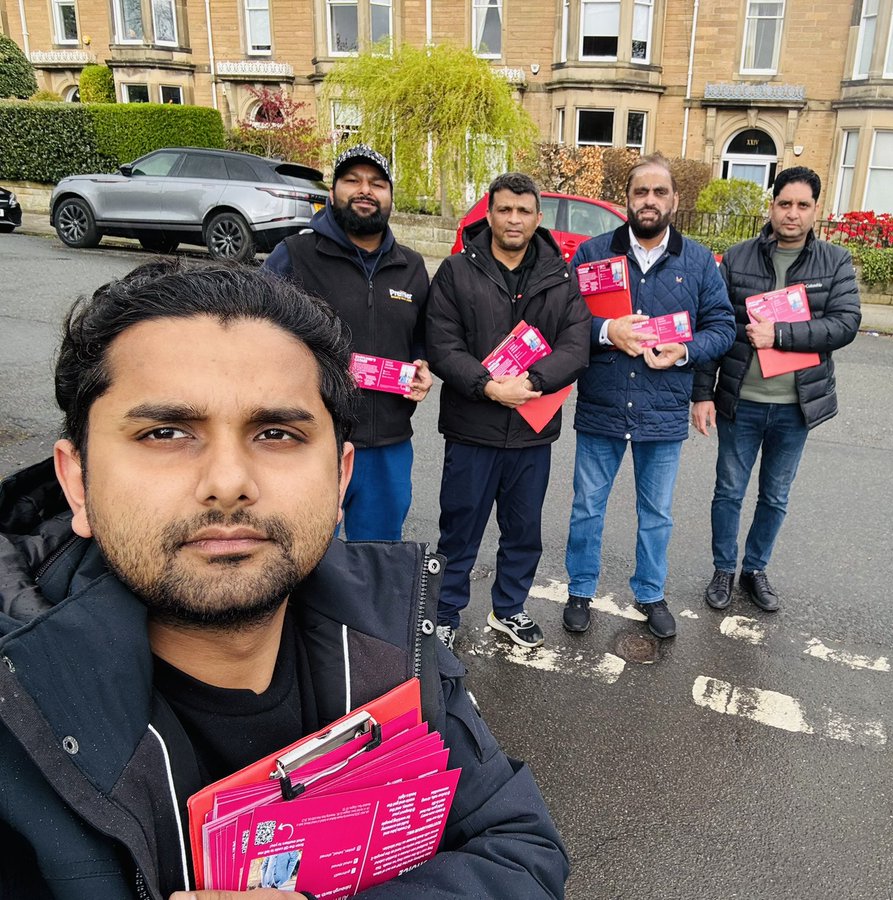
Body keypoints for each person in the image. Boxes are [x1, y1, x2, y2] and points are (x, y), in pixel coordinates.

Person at [0, 260, 569, 899]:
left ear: (339, 479)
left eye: (276, 433)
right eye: (165, 432)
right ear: (77, 480)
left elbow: (522, 852)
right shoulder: (16, 714)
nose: (228, 482)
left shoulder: (392, 636)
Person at [562, 154, 735, 639]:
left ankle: (651, 592)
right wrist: (606, 330)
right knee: (587, 507)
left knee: (656, 513)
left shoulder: (699, 261)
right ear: (628, 199)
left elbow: (723, 327)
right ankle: (580, 589)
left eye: (660, 192)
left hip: (662, 408)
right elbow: (566, 319)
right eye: (642, 192)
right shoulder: (593, 253)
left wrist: (685, 350)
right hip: (603, 401)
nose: (650, 201)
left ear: (675, 200)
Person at [426, 174, 590, 651]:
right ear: (489, 215)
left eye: (523, 211)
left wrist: (534, 382)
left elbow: (576, 344)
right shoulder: (457, 272)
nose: (513, 219)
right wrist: (489, 386)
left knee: (523, 530)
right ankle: (446, 612)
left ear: (538, 218)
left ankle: (509, 609)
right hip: (471, 427)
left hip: (531, 434)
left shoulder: (561, 277)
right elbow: (442, 343)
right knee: (459, 529)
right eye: (504, 210)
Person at [691, 166, 861, 613]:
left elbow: (845, 324)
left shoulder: (835, 261)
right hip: (740, 400)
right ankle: (724, 569)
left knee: (775, 495)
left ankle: (755, 570)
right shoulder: (738, 257)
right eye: (785, 203)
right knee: (728, 491)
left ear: (815, 210)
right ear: (772, 206)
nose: (792, 213)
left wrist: (780, 336)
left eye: (803, 205)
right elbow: (717, 327)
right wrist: (703, 393)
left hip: (795, 404)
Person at [263, 143, 432, 541]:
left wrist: (423, 367)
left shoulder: (411, 266)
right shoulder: (295, 255)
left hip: (387, 444)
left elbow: (422, 336)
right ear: (334, 190)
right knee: (301, 552)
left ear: (390, 196)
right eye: (352, 180)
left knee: (376, 557)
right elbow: (255, 336)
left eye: (376, 183)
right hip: (310, 439)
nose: (364, 190)